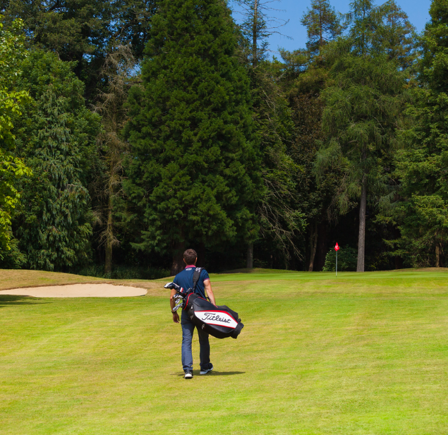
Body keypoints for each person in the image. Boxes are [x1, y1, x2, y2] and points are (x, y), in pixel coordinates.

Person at [170, 248, 216, 379]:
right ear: (196, 259)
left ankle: (188, 370)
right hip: (202, 311)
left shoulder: (178, 277)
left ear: (184, 260)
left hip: (186, 312)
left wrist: (174, 312)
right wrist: (214, 308)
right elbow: (209, 291)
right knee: (203, 340)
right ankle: (204, 367)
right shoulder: (202, 272)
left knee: (186, 341)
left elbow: (171, 297)